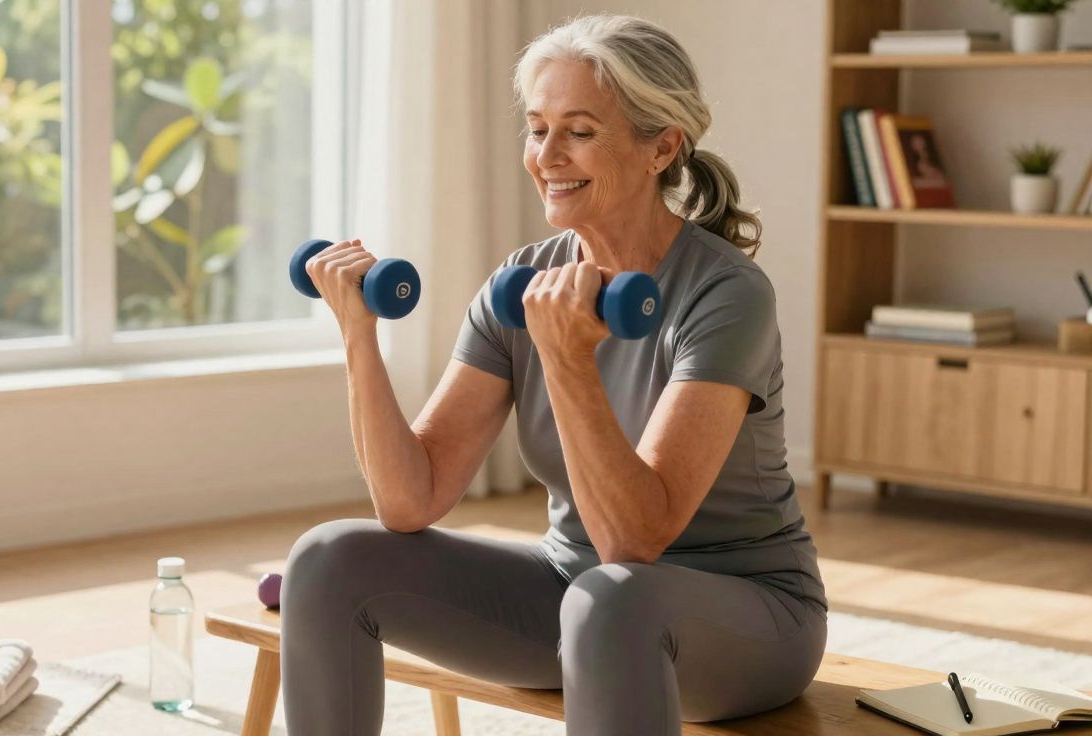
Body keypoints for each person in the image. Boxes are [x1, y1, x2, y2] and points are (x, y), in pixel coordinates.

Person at [280, 13, 827, 735]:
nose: (548, 155)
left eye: (579, 130)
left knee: (616, 599)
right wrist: (358, 336)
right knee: (328, 561)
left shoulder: (727, 297)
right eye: (538, 129)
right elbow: (409, 501)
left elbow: (636, 542)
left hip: (746, 613)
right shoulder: (522, 282)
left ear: (661, 147)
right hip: (575, 594)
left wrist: (569, 361)